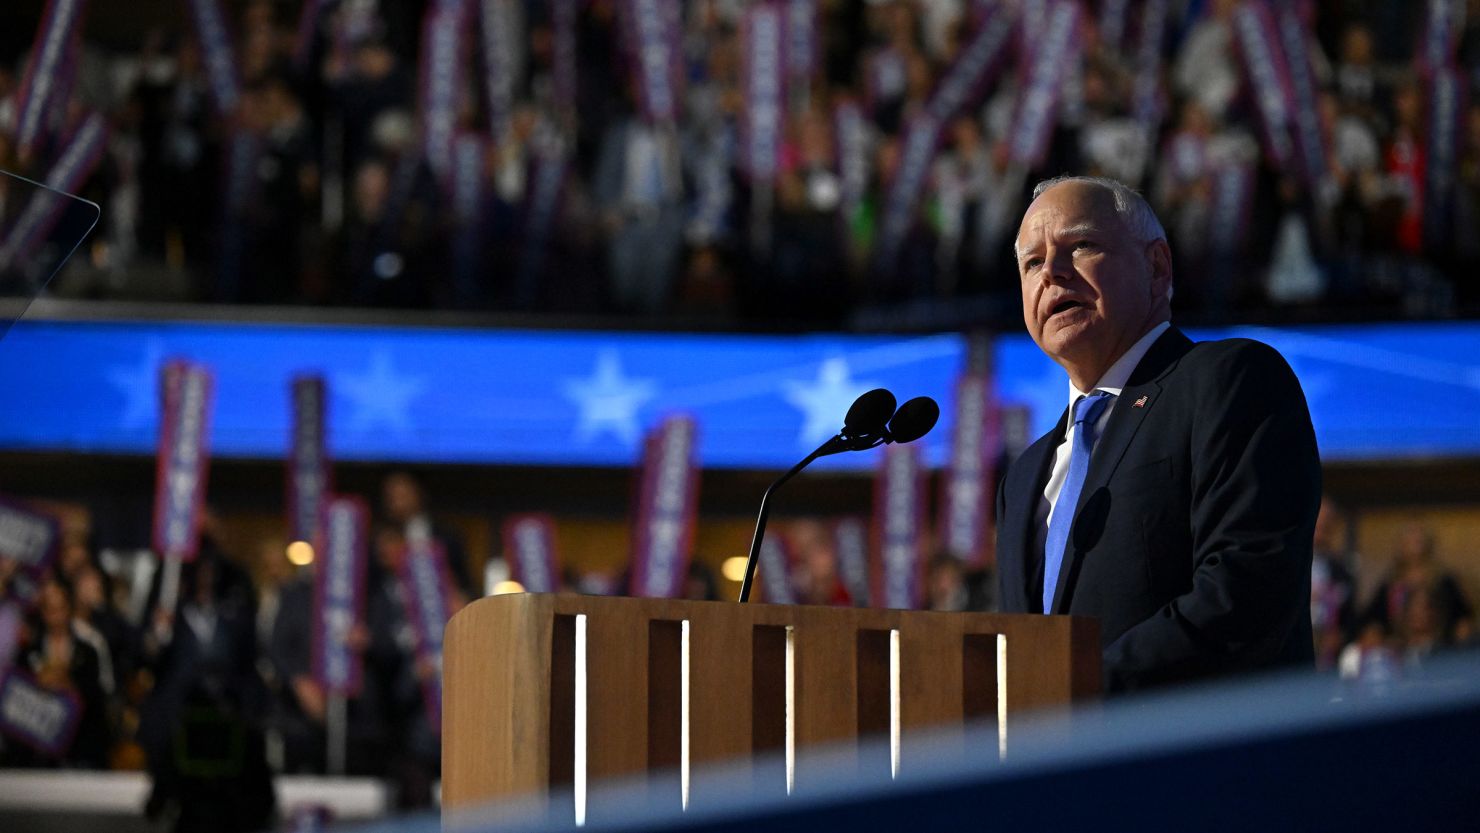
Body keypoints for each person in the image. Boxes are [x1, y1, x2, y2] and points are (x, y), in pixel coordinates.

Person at [995, 176, 1321, 694]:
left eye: (1080, 245)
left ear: (1157, 267)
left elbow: (1245, 593)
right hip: (1061, 769)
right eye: (1032, 263)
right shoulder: (1024, 476)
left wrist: (1075, 690)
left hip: (1205, 762)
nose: (1052, 273)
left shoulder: (1228, 380)